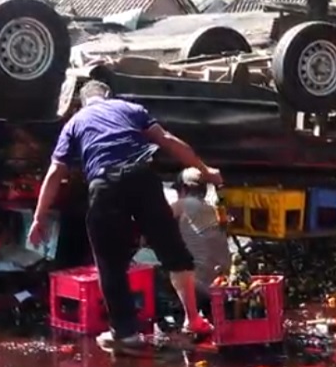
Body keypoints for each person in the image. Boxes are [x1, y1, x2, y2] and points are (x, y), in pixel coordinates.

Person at [27, 79, 223, 351]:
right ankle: (193, 319)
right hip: (143, 178)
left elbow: (54, 173)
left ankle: (126, 334)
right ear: (108, 95)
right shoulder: (130, 108)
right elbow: (168, 140)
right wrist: (205, 169)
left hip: (105, 186)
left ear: (82, 102)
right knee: (172, 250)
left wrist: (39, 217)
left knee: (110, 262)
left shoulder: (74, 123)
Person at [170, 167, 231, 315]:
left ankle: (179, 311)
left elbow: (154, 220)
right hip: (221, 284)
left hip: (198, 286)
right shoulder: (213, 209)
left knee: (158, 267)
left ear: (184, 189)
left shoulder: (183, 204)